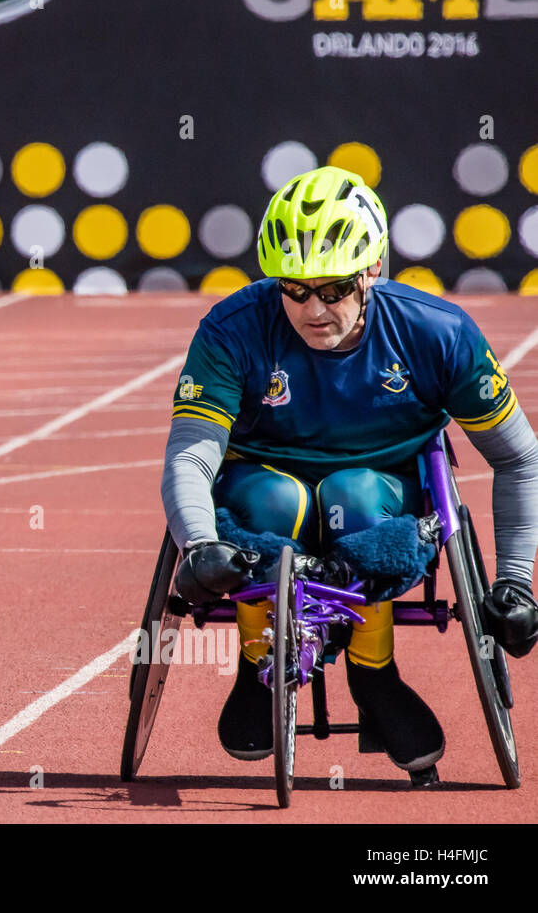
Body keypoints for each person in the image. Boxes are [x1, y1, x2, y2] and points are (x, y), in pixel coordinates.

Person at [161, 165, 538, 784]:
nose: (312, 308)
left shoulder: (438, 334)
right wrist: (199, 543)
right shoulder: (232, 330)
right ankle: (261, 663)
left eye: (332, 289)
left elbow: (518, 457)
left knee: (352, 493)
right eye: (294, 288)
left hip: (379, 490)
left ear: (372, 271)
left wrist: (519, 582)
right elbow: (191, 452)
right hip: (264, 485)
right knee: (277, 499)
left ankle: (373, 672)